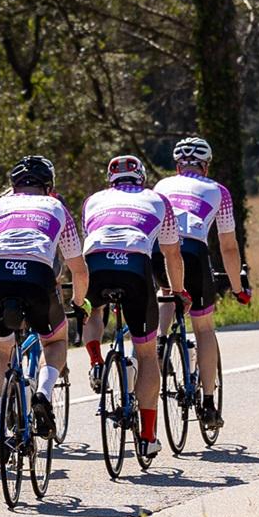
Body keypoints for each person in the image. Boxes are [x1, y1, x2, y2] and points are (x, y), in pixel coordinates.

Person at [80, 155, 186, 468]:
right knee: (147, 353)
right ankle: (148, 436)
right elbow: (171, 254)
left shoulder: (93, 200)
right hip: (136, 266)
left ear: (110, 180)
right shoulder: (158, 200)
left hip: (96, 263)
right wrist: (178, 292)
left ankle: (96, 362)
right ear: (141, 177)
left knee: (95, 311)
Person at [0, 155, 89, 445]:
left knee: (0, 351)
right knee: (54, 341)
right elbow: (77, 267)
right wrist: (79, 302)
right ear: (49, 186)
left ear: (13, 186)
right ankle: (42, 392)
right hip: (38, 275)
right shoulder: (56, 207)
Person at [154, 136, 252, 430]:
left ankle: (160, 340)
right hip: (195, 253)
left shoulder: (160, 187)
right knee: (205, 329)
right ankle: (208, 404)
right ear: (206, 165)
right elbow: (229, 247)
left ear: (177, 165)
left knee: (168, 289)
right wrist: (238, 289)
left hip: (159, 252)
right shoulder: (218, 191)